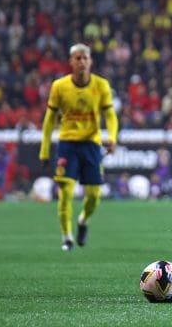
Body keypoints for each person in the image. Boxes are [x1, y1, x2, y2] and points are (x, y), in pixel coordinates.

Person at [39, 43, 118, 251]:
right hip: (67, 144)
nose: (81, 61)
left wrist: (112, 137)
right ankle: (67, 237)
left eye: (85, 58)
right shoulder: (59, 87)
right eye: (77, 58)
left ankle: (83, 220)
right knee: (65, 191)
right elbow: (49, 120)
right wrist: (44, 149)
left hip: (91, 144)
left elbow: (110, 115)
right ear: (71, 62)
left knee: (94, 195)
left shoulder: (101, 85)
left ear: (90, 61)